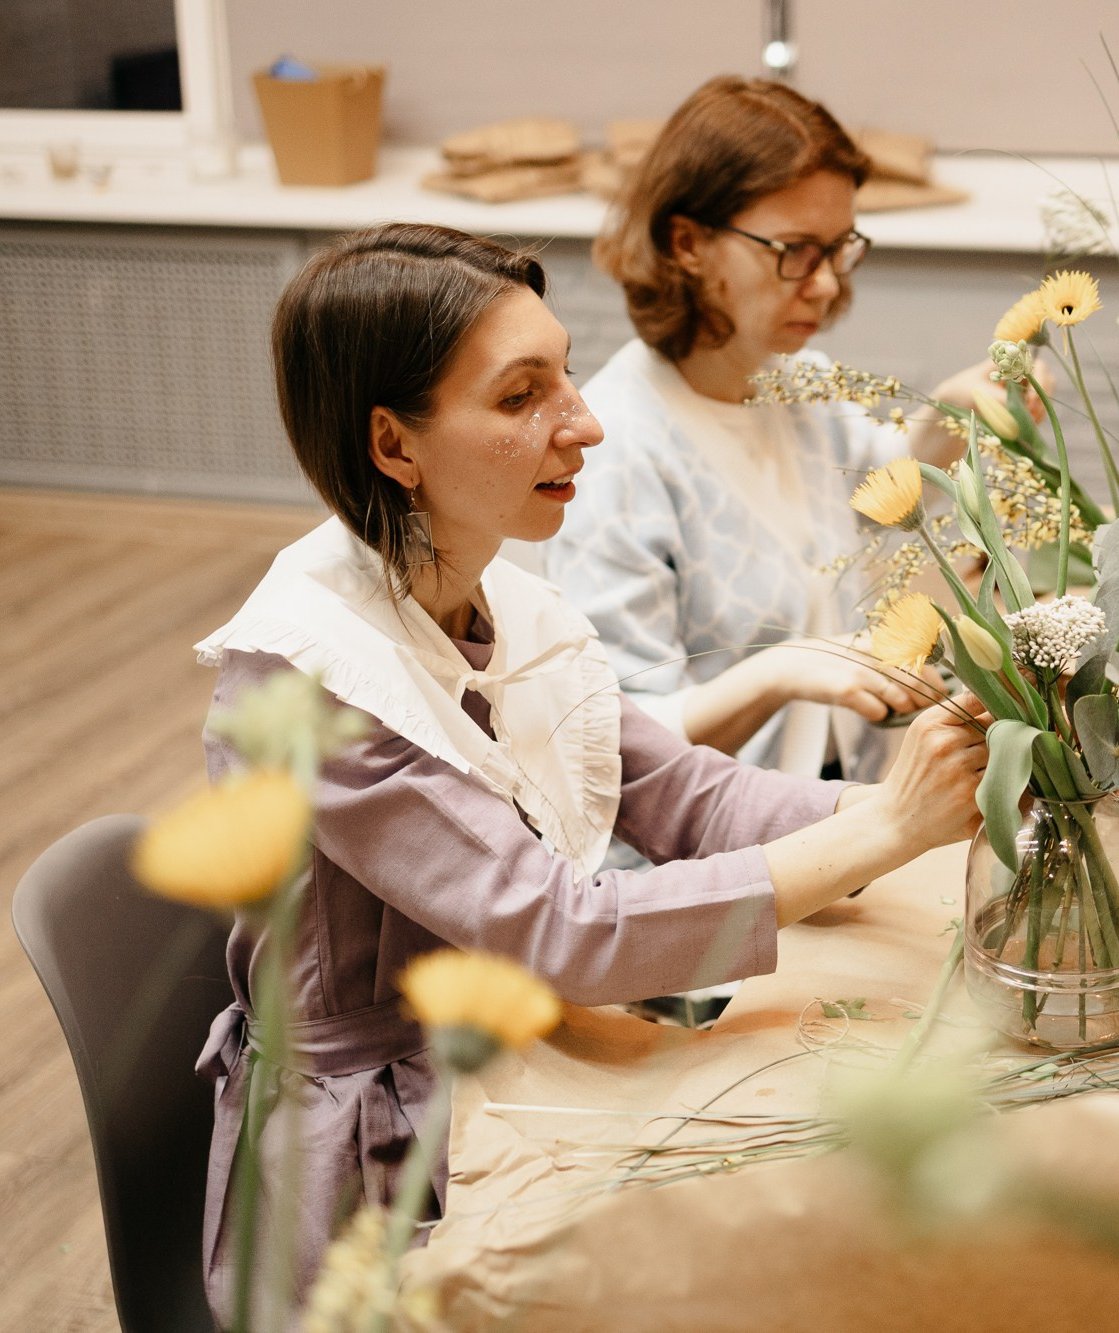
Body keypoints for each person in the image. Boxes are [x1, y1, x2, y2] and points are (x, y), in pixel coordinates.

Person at [192, 222, 989, 1317]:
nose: (586, 422)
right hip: (383, 1162)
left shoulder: (492, 596)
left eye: (565, 373)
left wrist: (965, 788)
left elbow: (692, 800)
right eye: (522, 398)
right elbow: (567, 931)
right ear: (393, 444)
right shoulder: (313, 681)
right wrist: (883, 831)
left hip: (511, 1064)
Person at [545, 76, 1008, 787]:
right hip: (704, 853)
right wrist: (777, 674)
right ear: (688, 242)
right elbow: (617, 741)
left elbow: (875, 483)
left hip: (835, 801)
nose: (823, 285)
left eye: (837, 248)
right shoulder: (617, 451)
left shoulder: (796, 381)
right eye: (795, 250)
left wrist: (949, 413)